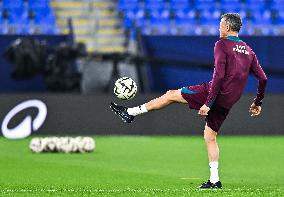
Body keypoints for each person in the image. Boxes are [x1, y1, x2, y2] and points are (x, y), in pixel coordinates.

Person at [110, 13, 267, 189]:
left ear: (228, 27)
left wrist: (208, 102)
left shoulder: (222, 44)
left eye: (220, 24)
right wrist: (258, 102)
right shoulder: (248, 50)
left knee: (171, 94)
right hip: (230, 100)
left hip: (214, 93)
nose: (219, 28)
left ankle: (130, 113)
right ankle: (214, 180)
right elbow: (263, 78)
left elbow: (219, 76)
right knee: (210, 137)